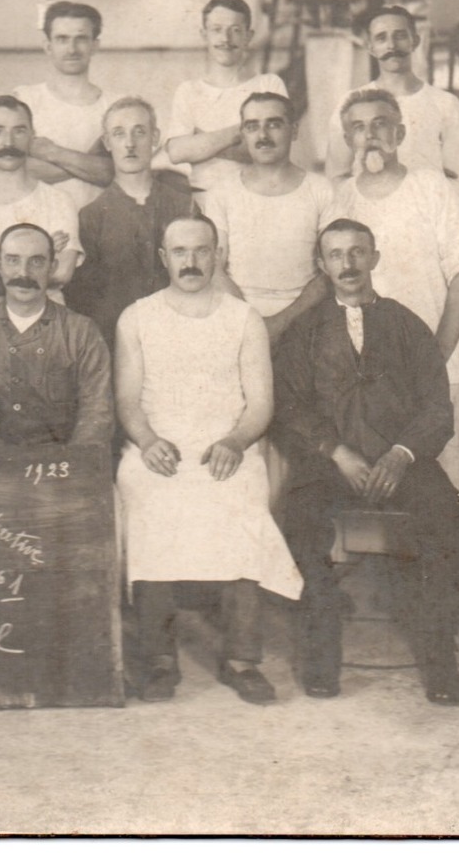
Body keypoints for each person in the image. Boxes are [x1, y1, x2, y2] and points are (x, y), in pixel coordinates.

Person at [328, 88, 459, 641]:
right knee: (370, 469)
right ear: (348, 139)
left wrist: (434, 353)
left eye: (382, 124)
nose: (371, 135)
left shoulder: (431, 188)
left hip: (437, 357)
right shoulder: (340, 198)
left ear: (401, 132)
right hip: (365, 375)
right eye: (359, 127)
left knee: (452, 471)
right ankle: (373, 584)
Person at [273, 219, 459, 705]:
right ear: (322, 265)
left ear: (375, 258)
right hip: (329, 463)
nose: (348, 264)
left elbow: (436, 407)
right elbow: (289, 406)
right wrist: (335, 452)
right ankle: (323, 651)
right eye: (336, 255)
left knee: (448, 516)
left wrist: (401, 455)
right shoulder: (306, 331)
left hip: (400, 460)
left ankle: (441, 656)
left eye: (358, 252)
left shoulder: (405, 323)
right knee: (298, 517)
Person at [115, 215, 301, 704]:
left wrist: (236, 442)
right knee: (147, 507)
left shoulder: (244, 318)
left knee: (243, 505)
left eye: (201, 251)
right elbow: (128, 402)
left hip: (226, 445)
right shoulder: (137, 317)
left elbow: (261, 404)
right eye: (180, 252)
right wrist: (148, 440)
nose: (191, 261)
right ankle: (158, 658)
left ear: (218, 255)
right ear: (163, 258)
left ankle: (242, 657)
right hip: (159, 447)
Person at [64, 97, 213, 345]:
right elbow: (83, 301)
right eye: (119, 134)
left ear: (155, 138)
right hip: (116, 343)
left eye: (139, 132)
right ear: (107, 142)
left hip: (179, 338)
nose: (130, 144)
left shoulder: (183, 205)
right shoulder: (91, 216)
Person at [0, 223, 112, 447]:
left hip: (62, 466)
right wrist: (9, 464)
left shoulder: (82, 331)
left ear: (52, 266)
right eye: (12, 260)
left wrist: (69, 465)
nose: (24, 273)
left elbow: (96, 413)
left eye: (36, 261)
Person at [200, 91, 331, 343]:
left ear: (293, 130)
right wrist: (254, 326)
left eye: (273, 124)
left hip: (305, 322)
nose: (262, 136)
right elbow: (214, 268)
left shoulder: (321, 190)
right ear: (243, 134)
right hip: (236, 322)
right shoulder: (222, 192)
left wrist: (280, 323)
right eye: (252, 126)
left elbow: (328, 272)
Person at [324, 6, 459, 201]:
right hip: (371, 217)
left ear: (415, 41)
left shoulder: (446, 104)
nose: (391, 46)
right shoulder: (351, 104)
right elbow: (336, 178)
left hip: (427, 215)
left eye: (400, 36)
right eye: (381, 38)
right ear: (371, 47)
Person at [0, 95, 81, 319]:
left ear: (32, 137)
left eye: (19, 131)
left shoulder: (59, 200)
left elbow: (62, 273)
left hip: (48, 330)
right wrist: (37, 265)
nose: (8, 142)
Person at [163, 0, 289, 193]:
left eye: (235, 30)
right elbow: (177, 152)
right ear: (204, 35)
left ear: (248, 36)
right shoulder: (188, 90)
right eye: (217, 30)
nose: (225, 39)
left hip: (257, 197)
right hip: (204, 200)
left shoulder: (268, 84)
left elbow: (275, 149)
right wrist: (243, 131)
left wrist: (200, 142)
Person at [12, 1, 117, 212]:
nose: (71, 49)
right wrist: (93, 164)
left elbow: (121, 173)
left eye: (81, 39)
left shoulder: (115, 105)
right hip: (40, 227)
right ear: (47, 46)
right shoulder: (23, 99)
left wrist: (51, 152)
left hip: (103, 228)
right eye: (62, 39)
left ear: (95, 45)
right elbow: (17, 171)